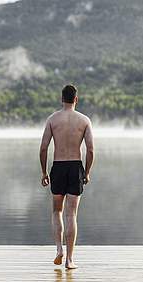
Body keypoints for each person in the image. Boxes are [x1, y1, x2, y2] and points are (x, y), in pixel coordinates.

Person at [39, 84, 95, 269]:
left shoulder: (53, 119)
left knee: (57, 211)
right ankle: (70, 260)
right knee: (72, 214)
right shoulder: (84, 120)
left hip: (58, 167)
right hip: (75, 167)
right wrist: (86, 172)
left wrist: (44, 172)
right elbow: (91, 150)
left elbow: (44, 148)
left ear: (61, 99)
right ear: (76, 99)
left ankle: (58, 250)